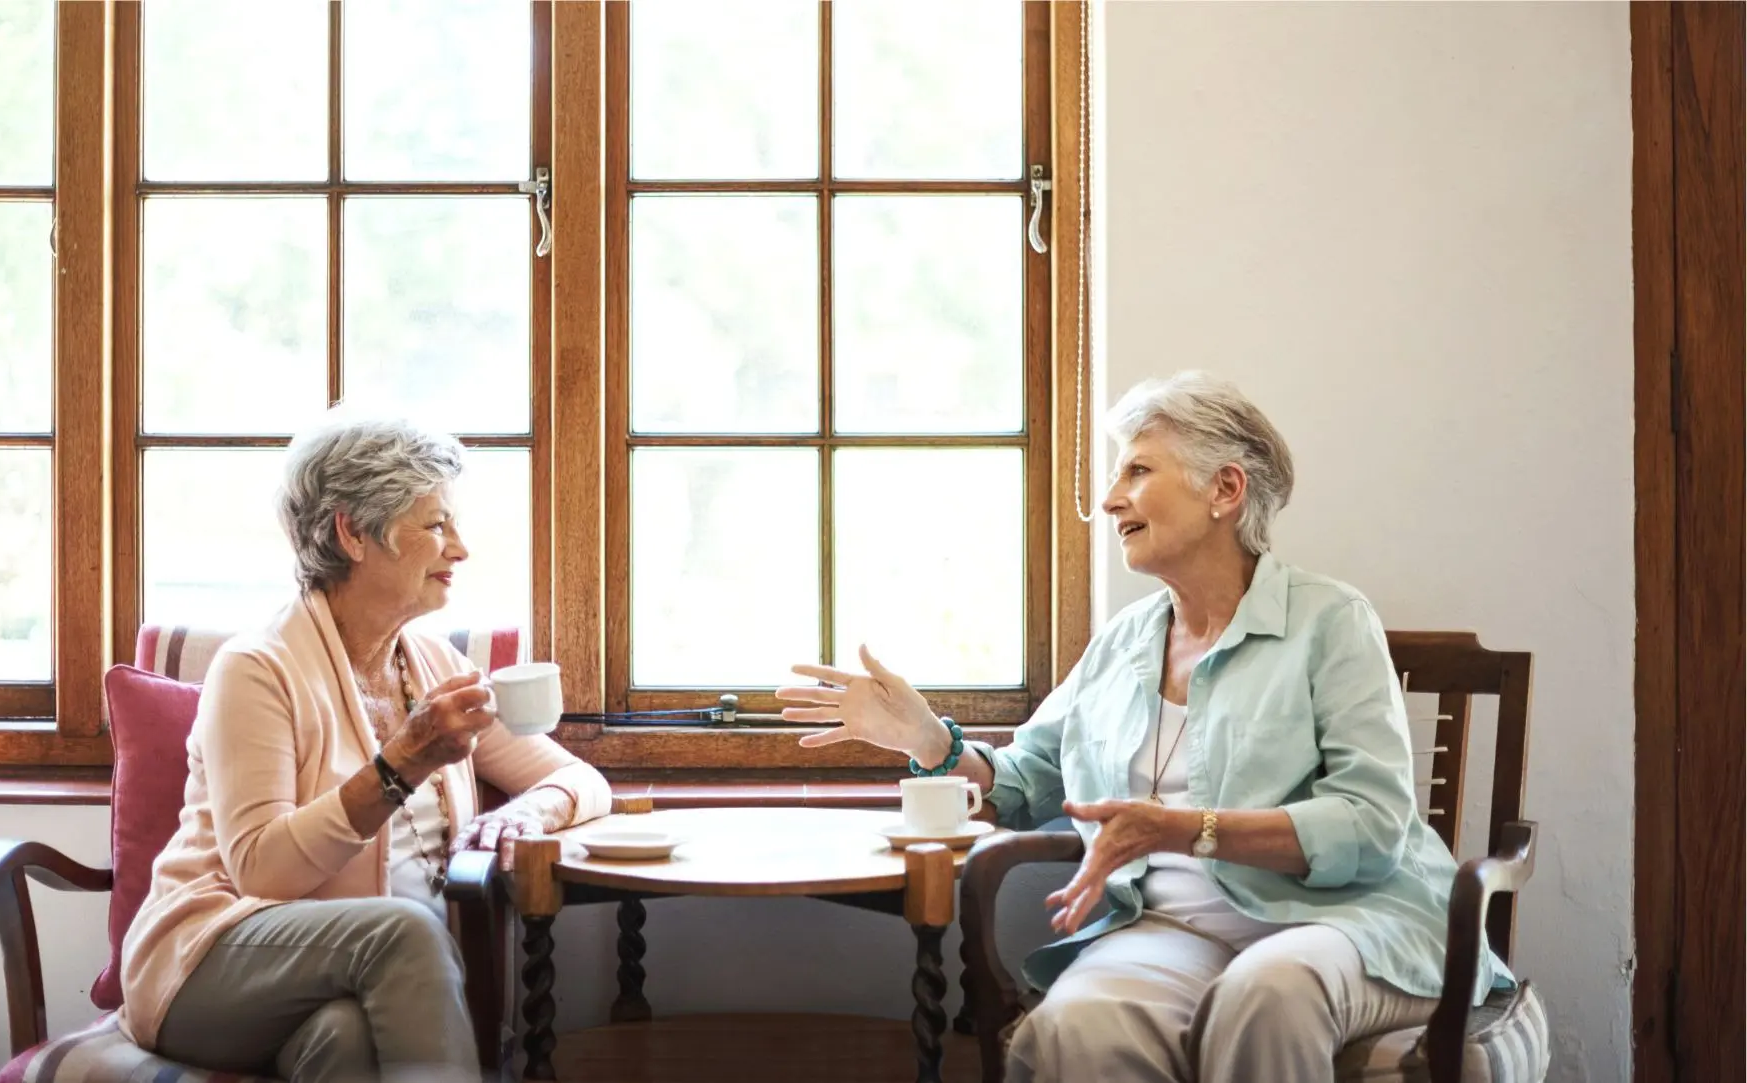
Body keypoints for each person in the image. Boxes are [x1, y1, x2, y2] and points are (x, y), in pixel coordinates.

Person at [779, 371, 1510, 1082]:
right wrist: (930, 740)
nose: (1108, 499)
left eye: (1136, 470)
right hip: (1173, 931)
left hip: (1344, 922)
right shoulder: (1125, 640)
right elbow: (1024, 781)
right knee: (1081, 1022)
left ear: (1225, 489)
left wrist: (1184, 827)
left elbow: (1373, 822)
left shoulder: (1329, 620)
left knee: (1266, 991)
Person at [119, 413, 611, 1083]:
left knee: (346, 1042)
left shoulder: (432, 666)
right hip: (210, 959)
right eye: (436, 524)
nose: (460, 548)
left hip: (349, 986)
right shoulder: (257, 668)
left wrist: (532, 812)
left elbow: (581, 779)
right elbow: (262, 870)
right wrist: (403, 761)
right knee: (402, 928)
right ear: (352, 532)